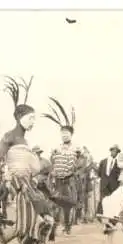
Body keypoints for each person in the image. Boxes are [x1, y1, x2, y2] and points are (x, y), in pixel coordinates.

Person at [0, 76, 53, 244]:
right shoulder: (9, 136)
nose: (33, 122)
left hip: (28, 183)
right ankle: (2, 241)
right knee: (28, 219)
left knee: (45, 217)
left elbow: (30, 166)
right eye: (30, 118)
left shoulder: (25, 140)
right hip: (16, 184)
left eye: (34, 119)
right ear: (20, 117)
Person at [44, 97, 80, 235]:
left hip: (70, 179)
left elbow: (82, 163)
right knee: (56, 202)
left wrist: (75, 169)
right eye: (62, 134)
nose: (64, 136)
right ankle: (54, 226)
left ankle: (68, 226)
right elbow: (51, 162)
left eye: (67, 134)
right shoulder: (56, 148)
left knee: (69, 203)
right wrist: (53, 173)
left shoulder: (77, 148)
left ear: (71, 135)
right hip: (58, 179)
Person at [96, 144, 121, 215]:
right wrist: (105, 180)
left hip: (113, 186)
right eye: (114, 151)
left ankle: (110, 215)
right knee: (102, 200)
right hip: (104, 184)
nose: (115, 153)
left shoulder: (118, 163)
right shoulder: (103, 161)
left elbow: (119, 175)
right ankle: (99, 215)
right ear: (111, 151)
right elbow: (99, 173)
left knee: (111, 201)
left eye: (117, 152)